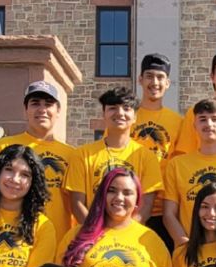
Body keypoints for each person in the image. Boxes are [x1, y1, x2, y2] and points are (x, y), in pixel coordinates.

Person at [0, 81, 76, 237]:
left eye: (48, 104)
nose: (42, 109)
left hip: (58, 241)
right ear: (25, 110)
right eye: (35, 103)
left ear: (58, 111)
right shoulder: (3, 147)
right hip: (12, 242)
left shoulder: (72, 155)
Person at [161, 98, 216, 248]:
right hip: (189, 249)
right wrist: (185, 245)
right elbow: (169, 214)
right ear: (194, 125)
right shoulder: (176, 165)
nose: (209, 124)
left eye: (215, 119)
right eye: (203, 119)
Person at [66, 87, 164, 223]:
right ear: (103, 114)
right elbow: (77, 204)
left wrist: (123, 234)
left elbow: (146, 206)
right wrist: (95, 233)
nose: (120, 113)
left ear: (135, 116)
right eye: (112, 108)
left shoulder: (147, 157)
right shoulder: (82, 155)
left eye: (126, 108)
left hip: (129, 238)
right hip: (91, 236)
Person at [132, 53, 184, 251]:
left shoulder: (178, 122)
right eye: (149, 76)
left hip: (165, 212)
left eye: (160, 77)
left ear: (168, 83)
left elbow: (179, 165)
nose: (155, 82)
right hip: (130, 207)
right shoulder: (128, 116)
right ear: (140, 80)